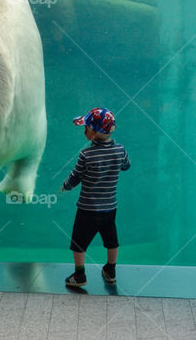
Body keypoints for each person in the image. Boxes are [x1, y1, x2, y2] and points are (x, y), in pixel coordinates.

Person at [61, 107, 131, 288]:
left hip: (87, 208)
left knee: (79, 242)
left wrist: (66, 186)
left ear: (93, 132)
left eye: (86, 128)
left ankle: (79, 275)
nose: (84, 131)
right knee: (111, 239)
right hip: (110, 207)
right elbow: (126, 166)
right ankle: (110, 270)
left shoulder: (86, 154)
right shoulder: (120, 150)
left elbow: (75, 177)